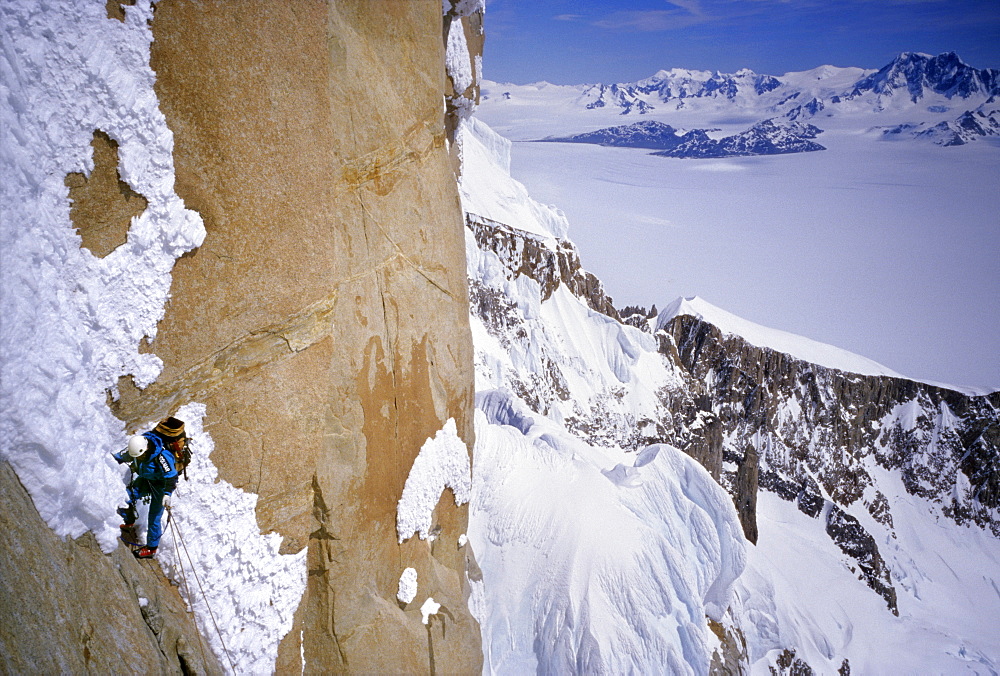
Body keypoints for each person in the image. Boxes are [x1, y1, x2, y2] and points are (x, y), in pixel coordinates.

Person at [112, 416, 189, 559]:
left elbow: (171, 476)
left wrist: (167, 494)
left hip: (161, 485)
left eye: (141, 456)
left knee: (154, 516)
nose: (138, 458)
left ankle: (151, 549)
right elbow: (119, 457)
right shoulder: (136, 448)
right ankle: (128, 521)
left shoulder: (162, 456)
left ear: (145, 450)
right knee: (128, 495)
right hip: (146, 479)